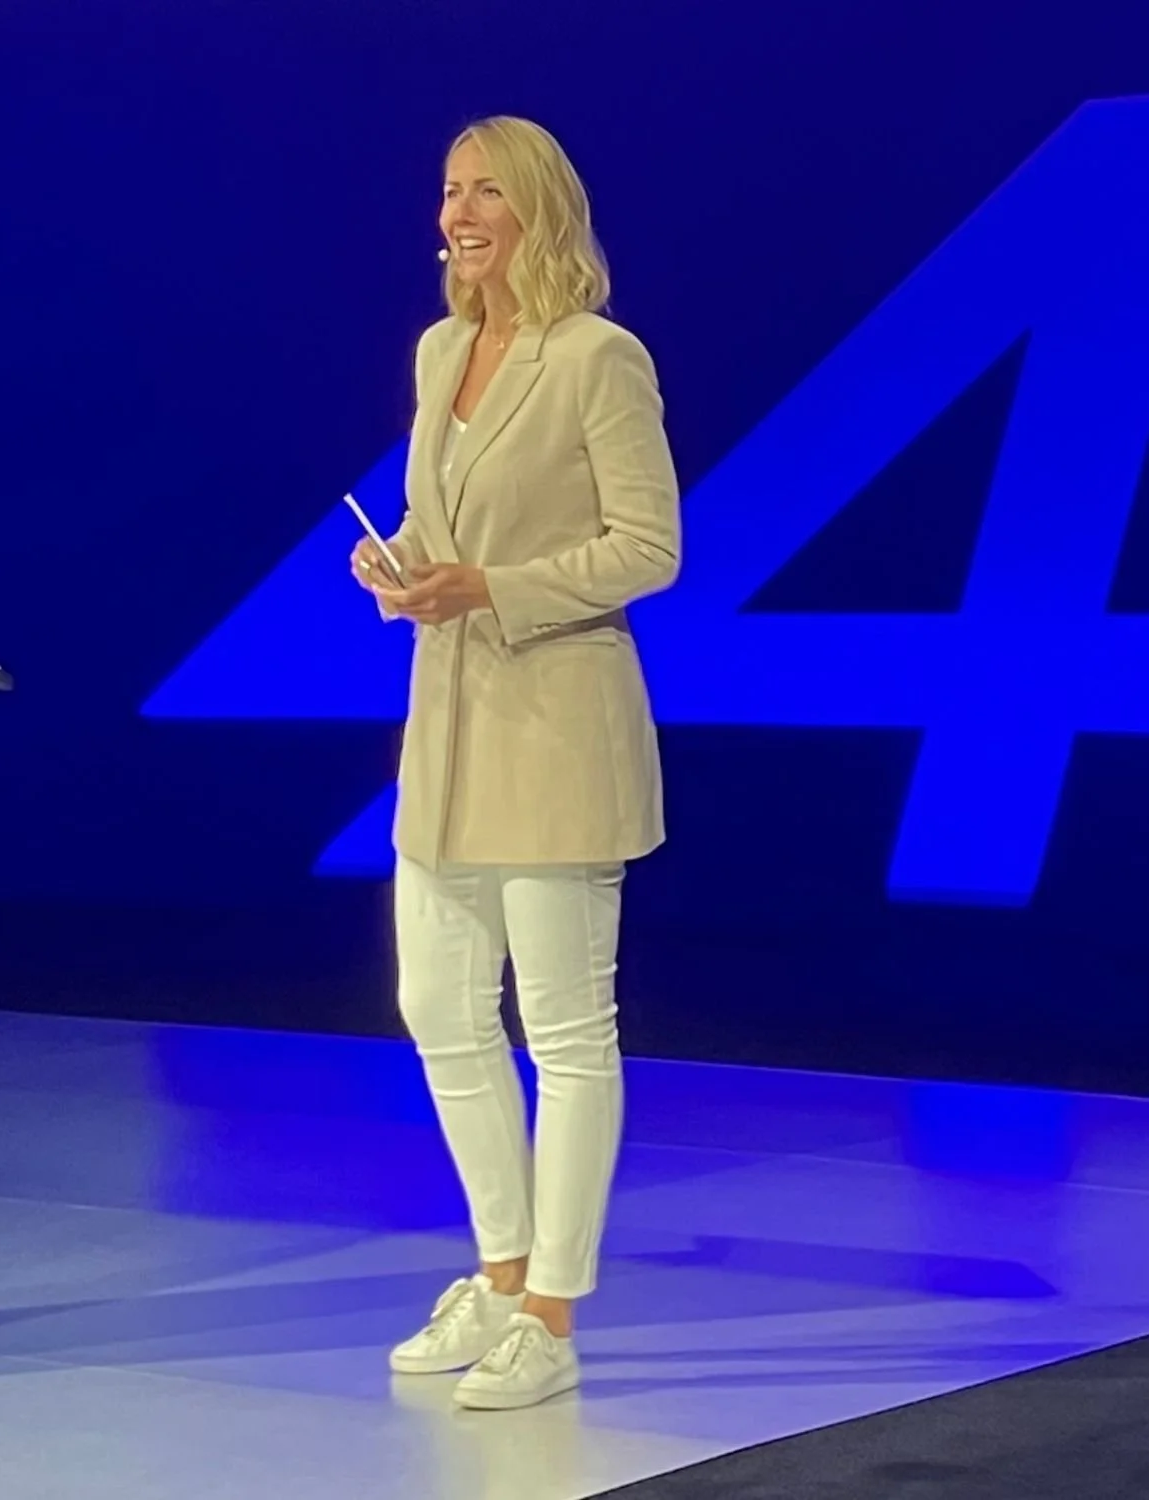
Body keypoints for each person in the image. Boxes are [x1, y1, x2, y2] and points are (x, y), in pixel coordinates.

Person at [349, 116, 680, 1411]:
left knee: (565, 1031)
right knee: (439, 1010)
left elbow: (647, 548)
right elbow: (445, 521)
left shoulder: (601, 359)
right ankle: (497, 1271)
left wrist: (493, 583)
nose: (458, 212)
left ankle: (551, 1313)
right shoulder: (441, 353)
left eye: (485, 190)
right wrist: (404, 565)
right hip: (449, 729)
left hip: (557, 727)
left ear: (538, 209)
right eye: (448, 191)